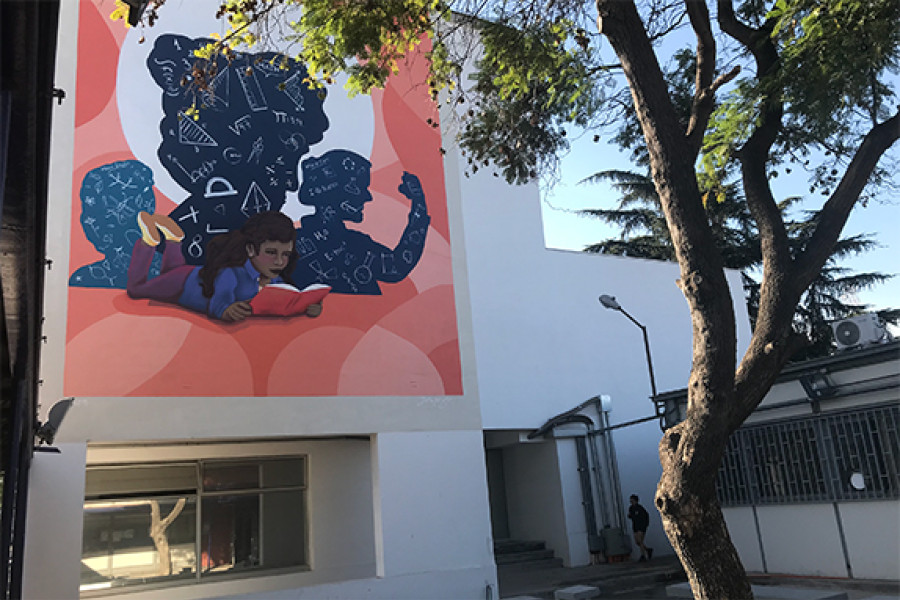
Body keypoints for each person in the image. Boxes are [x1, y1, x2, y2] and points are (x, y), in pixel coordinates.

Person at [127, 210, 322, 321]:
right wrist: (226, 310)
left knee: (171, 270)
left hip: (184, 276)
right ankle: (148, 242)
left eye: (285, 254)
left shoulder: (275, 280)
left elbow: (287, 301)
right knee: (136, 290)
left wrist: (307, 306)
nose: (279, 262)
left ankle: (174, 239)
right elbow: (218, 302)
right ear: (251, 250)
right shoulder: (231, 274)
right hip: (183, 283)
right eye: (271, 253)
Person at [627, 494, 653, 562]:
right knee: (637, 542)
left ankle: (643, 555)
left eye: (632, 500)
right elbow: (631, 516)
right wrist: (630, 516)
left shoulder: (640, 508)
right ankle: (647, 550)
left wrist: (646, 524)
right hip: (635, 526)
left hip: (641, 526)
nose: (631, 502)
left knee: (640, 540)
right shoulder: (631, 508)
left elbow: (646, 515)